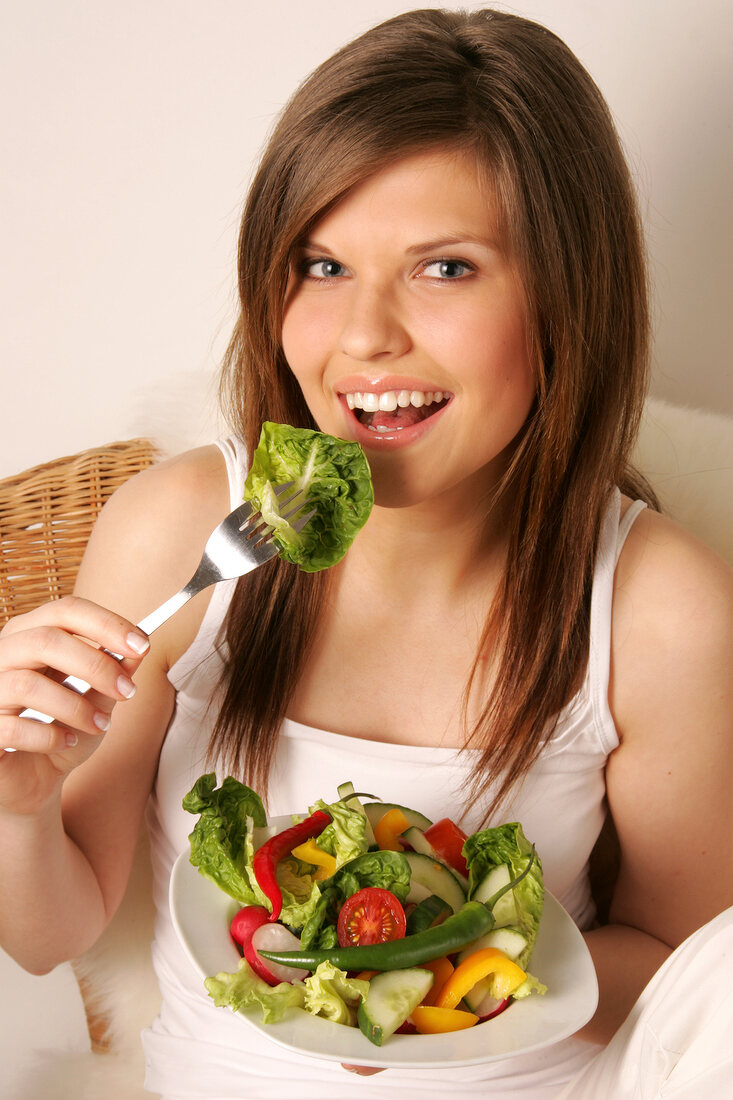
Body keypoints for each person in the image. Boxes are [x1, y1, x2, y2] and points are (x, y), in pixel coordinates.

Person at [1, 8, 731, 1099]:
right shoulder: (184, 531)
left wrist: (448, 974)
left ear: (565, 299)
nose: (363, 336)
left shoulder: (658, 605)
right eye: (321, 263)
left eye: (444, 267)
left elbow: (686, 974)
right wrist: (17, 805)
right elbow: (49, 932)